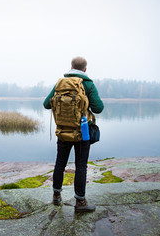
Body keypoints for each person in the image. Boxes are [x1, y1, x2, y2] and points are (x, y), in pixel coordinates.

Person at [43, 56, 104, 212]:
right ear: (85, 69)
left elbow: (46, 104)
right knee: (81, 166)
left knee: (60, 163)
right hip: (82, 132)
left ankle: (56, 196)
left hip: (63, 130)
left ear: (71, 67)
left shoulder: (60, 83)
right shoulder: (88, 84)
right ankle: (80, 203)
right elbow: (98, 108)